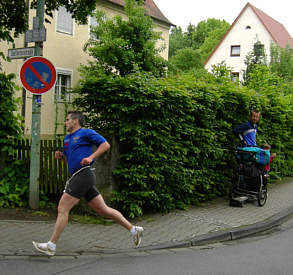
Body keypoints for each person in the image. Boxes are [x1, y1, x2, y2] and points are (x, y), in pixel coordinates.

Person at [33, 111, 144, 256]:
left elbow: (105, 145)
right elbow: (69, 160)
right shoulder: (67, 139)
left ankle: (51, 245)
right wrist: (61, 157)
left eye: (67, 120)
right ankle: (134, 230)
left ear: (76, 121)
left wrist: (90, 157)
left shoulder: (86, 133)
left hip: (83, 174)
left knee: (62, 207)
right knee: (103, 210)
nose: (65, 122)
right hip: (79, 175)